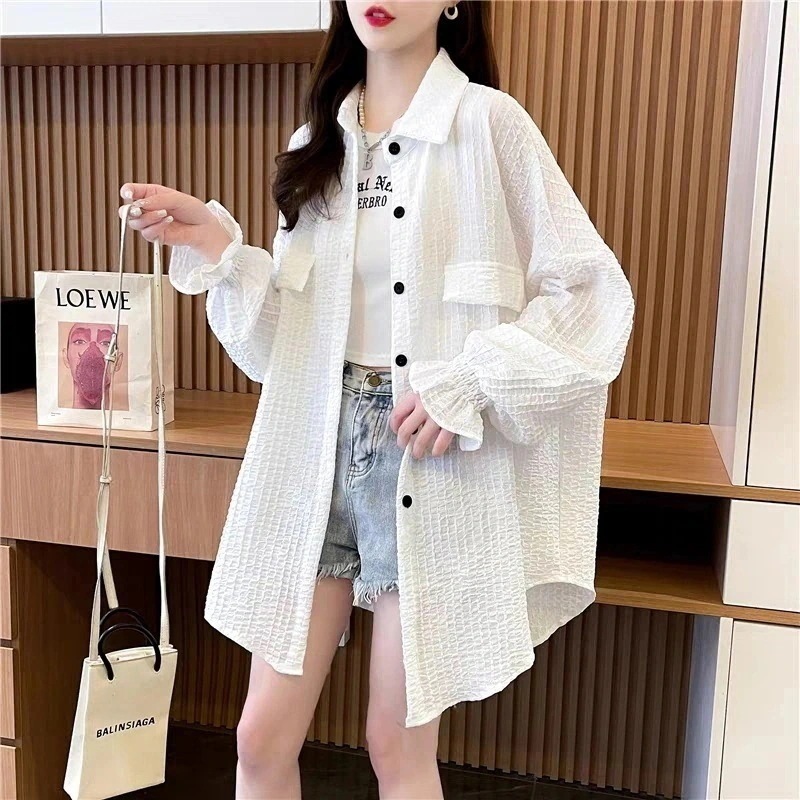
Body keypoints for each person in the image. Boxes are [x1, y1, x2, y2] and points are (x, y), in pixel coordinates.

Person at [119, 2, 635, 797]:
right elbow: (283, 346)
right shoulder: (318, 142)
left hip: (427, 451)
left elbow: (592, 295)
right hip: (315, 447)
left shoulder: (488, 125)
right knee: (259, 741)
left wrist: (469, 379)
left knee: (396, 746)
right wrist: (217, 248)